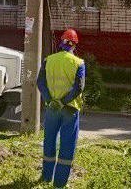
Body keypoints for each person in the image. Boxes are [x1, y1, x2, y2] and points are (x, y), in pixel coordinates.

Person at [36, 28, 86, 187]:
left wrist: (51, 100)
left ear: (61, 43)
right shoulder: (79, 63)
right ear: (75, 45)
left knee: (49, 141)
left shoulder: (48, 60)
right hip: (69, 109)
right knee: (67, 145)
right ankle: (59, 183)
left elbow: (40, 83)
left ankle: (45, 178)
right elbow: (79, 87)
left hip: (52, 109)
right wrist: (63, 102)